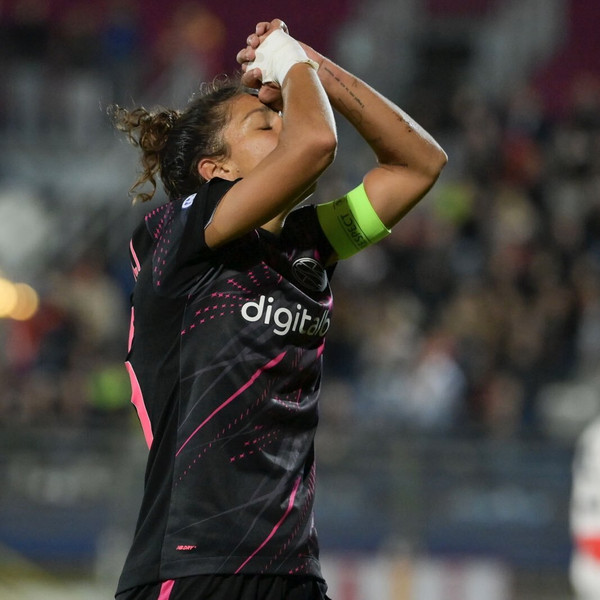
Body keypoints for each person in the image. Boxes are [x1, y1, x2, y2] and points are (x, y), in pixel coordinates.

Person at [111, 18, 447, 600]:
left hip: (292, 571)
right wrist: (289, 61)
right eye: (265, 124)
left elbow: (418, 164)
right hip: (191, 570)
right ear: (216, 171)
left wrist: (314, 64)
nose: (286, 125)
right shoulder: (177, 235)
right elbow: (316, 144)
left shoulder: (312, 245)